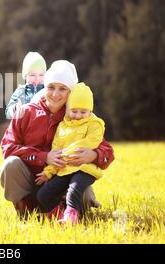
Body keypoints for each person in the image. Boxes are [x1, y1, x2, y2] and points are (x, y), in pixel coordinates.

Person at [0, 60, 114, 220]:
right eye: (51, 87)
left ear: (70, 92)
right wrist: (44, 156)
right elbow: (7, 147)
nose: (55, 94)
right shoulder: (25, 112)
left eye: (62, 89)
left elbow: (107, 151)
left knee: (85, 199)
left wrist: (93, 155)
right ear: (44, 87)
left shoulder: (78, 115)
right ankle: (27, 211)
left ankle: (65, 211)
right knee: (10, 165)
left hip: (63, 178)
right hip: (31, 179)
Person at [35, 82, 105, 225]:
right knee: (43, 195)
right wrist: (48, 171)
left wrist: (68, 152)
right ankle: (59, 214)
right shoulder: (62, 126)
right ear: (67, 109)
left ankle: (71, 218)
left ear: (90, 111)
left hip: (84, 169)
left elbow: (92, 141)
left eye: (83, 112)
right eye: (74, 111)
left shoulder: (95, 124)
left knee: (73, 191)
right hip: (65, 169)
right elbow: (57, 151)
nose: (78, 115)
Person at [5, 51, 47, 119]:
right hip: (24, 126)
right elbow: (7, 113)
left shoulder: (47, 90)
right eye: (32, 75)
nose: (37, 78)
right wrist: (14, 110)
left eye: (41, 75)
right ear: (25, 76)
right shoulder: (21, 91)